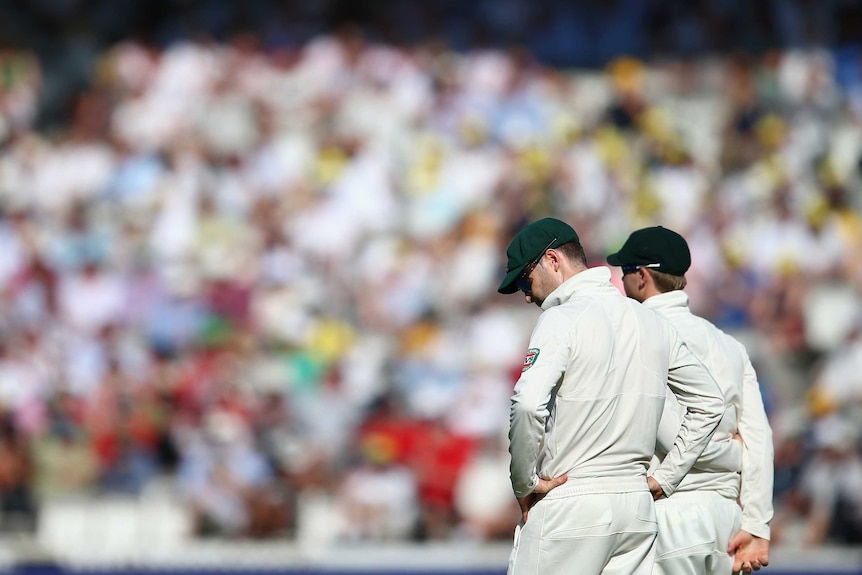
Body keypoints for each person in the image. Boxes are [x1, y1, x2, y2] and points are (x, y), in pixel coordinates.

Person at [497, 217, 726, 575]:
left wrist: (524, 482)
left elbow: (527, 404)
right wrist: (667, 477)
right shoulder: (651, 321)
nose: (526, 295)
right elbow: (710, 401)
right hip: (636, 510)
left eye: (525, 279)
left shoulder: (561, 319)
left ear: (553, 261)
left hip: (572, 503)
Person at [606, 226, 774, 574]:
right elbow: (759, 440)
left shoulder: (639, 337)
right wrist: (757, 523)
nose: (620, 283)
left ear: (641, 276)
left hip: (668, 515)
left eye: (624, 273)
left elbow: (673, 432)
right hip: (727, 520)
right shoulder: (729, 344)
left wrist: (728, 454)